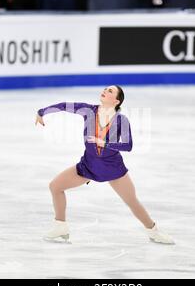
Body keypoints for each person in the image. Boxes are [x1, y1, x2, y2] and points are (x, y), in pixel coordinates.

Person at [35, 85, 174, 244]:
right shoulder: (88, 111)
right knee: (55, 186)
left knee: (132, 201)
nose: (105, 91)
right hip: (88, 166)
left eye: (110, 91)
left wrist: (104, 143)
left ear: (116, 100)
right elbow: (64, 106)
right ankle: (60, 226)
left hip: (112, 168)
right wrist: (42, 111)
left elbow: (128, 146)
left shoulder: (121, 120)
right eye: (106, 89)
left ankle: (154, 231)